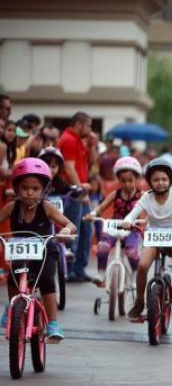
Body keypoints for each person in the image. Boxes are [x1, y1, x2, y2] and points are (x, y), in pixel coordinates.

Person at [0, 158, 76, 340]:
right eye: (25, 188)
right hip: (19, 249)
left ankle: (53, 323)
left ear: (44, 190)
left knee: (47, 282)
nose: (29, 193)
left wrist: (65, 231)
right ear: (17, 188)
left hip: (45, 251)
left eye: (35, 189)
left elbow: (70, 224)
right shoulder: (12, 207)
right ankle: (12, 307)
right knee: (13, 279)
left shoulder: (47, 207)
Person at [122, 158, 172, 320]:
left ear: (170, 180)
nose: (160, 183)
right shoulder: (147, 197)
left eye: (164, 179)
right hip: (153, 235)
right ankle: (139, 301)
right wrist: (128, 221)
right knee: (143, 266)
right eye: (156, 180)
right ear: (150, 182)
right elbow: (133, 213)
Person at [84, 157, 143, 287]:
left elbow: (151, 209)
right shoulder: (115, 194)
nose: (127, 184)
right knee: (102, 246)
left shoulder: (142, 195)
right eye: (123, 181)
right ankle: (101, 273)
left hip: (133, 229)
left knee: (132, 252)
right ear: (118, 181)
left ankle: (134, 274)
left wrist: (149, 221)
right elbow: (102, 206)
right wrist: (93, 214)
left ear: (136, 179)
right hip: (114, 227)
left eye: (130, 181)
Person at [57, 111, 93, 282]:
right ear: (79, 124)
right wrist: (79, 190)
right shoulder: (69, 140)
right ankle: (69, 269)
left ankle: (79, 269)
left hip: (80, 192)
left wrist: (92, 145)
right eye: (88, 125)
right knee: (73, 231)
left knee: (86, 231)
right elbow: (69, 168)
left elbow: (88, 164)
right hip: (73, 194)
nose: (90, 129)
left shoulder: (78, 140)